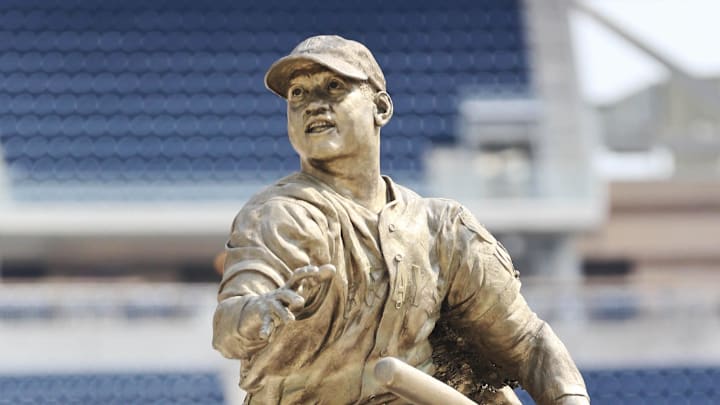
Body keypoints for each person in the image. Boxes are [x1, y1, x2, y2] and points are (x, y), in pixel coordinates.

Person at [212, 35, 590, 405]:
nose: (313, 104)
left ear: (381, 108)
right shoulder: (281, 214)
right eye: (298, 94)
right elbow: (229, 325)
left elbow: (528, 342)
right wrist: (256, 312)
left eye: (333, 86)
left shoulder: (442, 228)